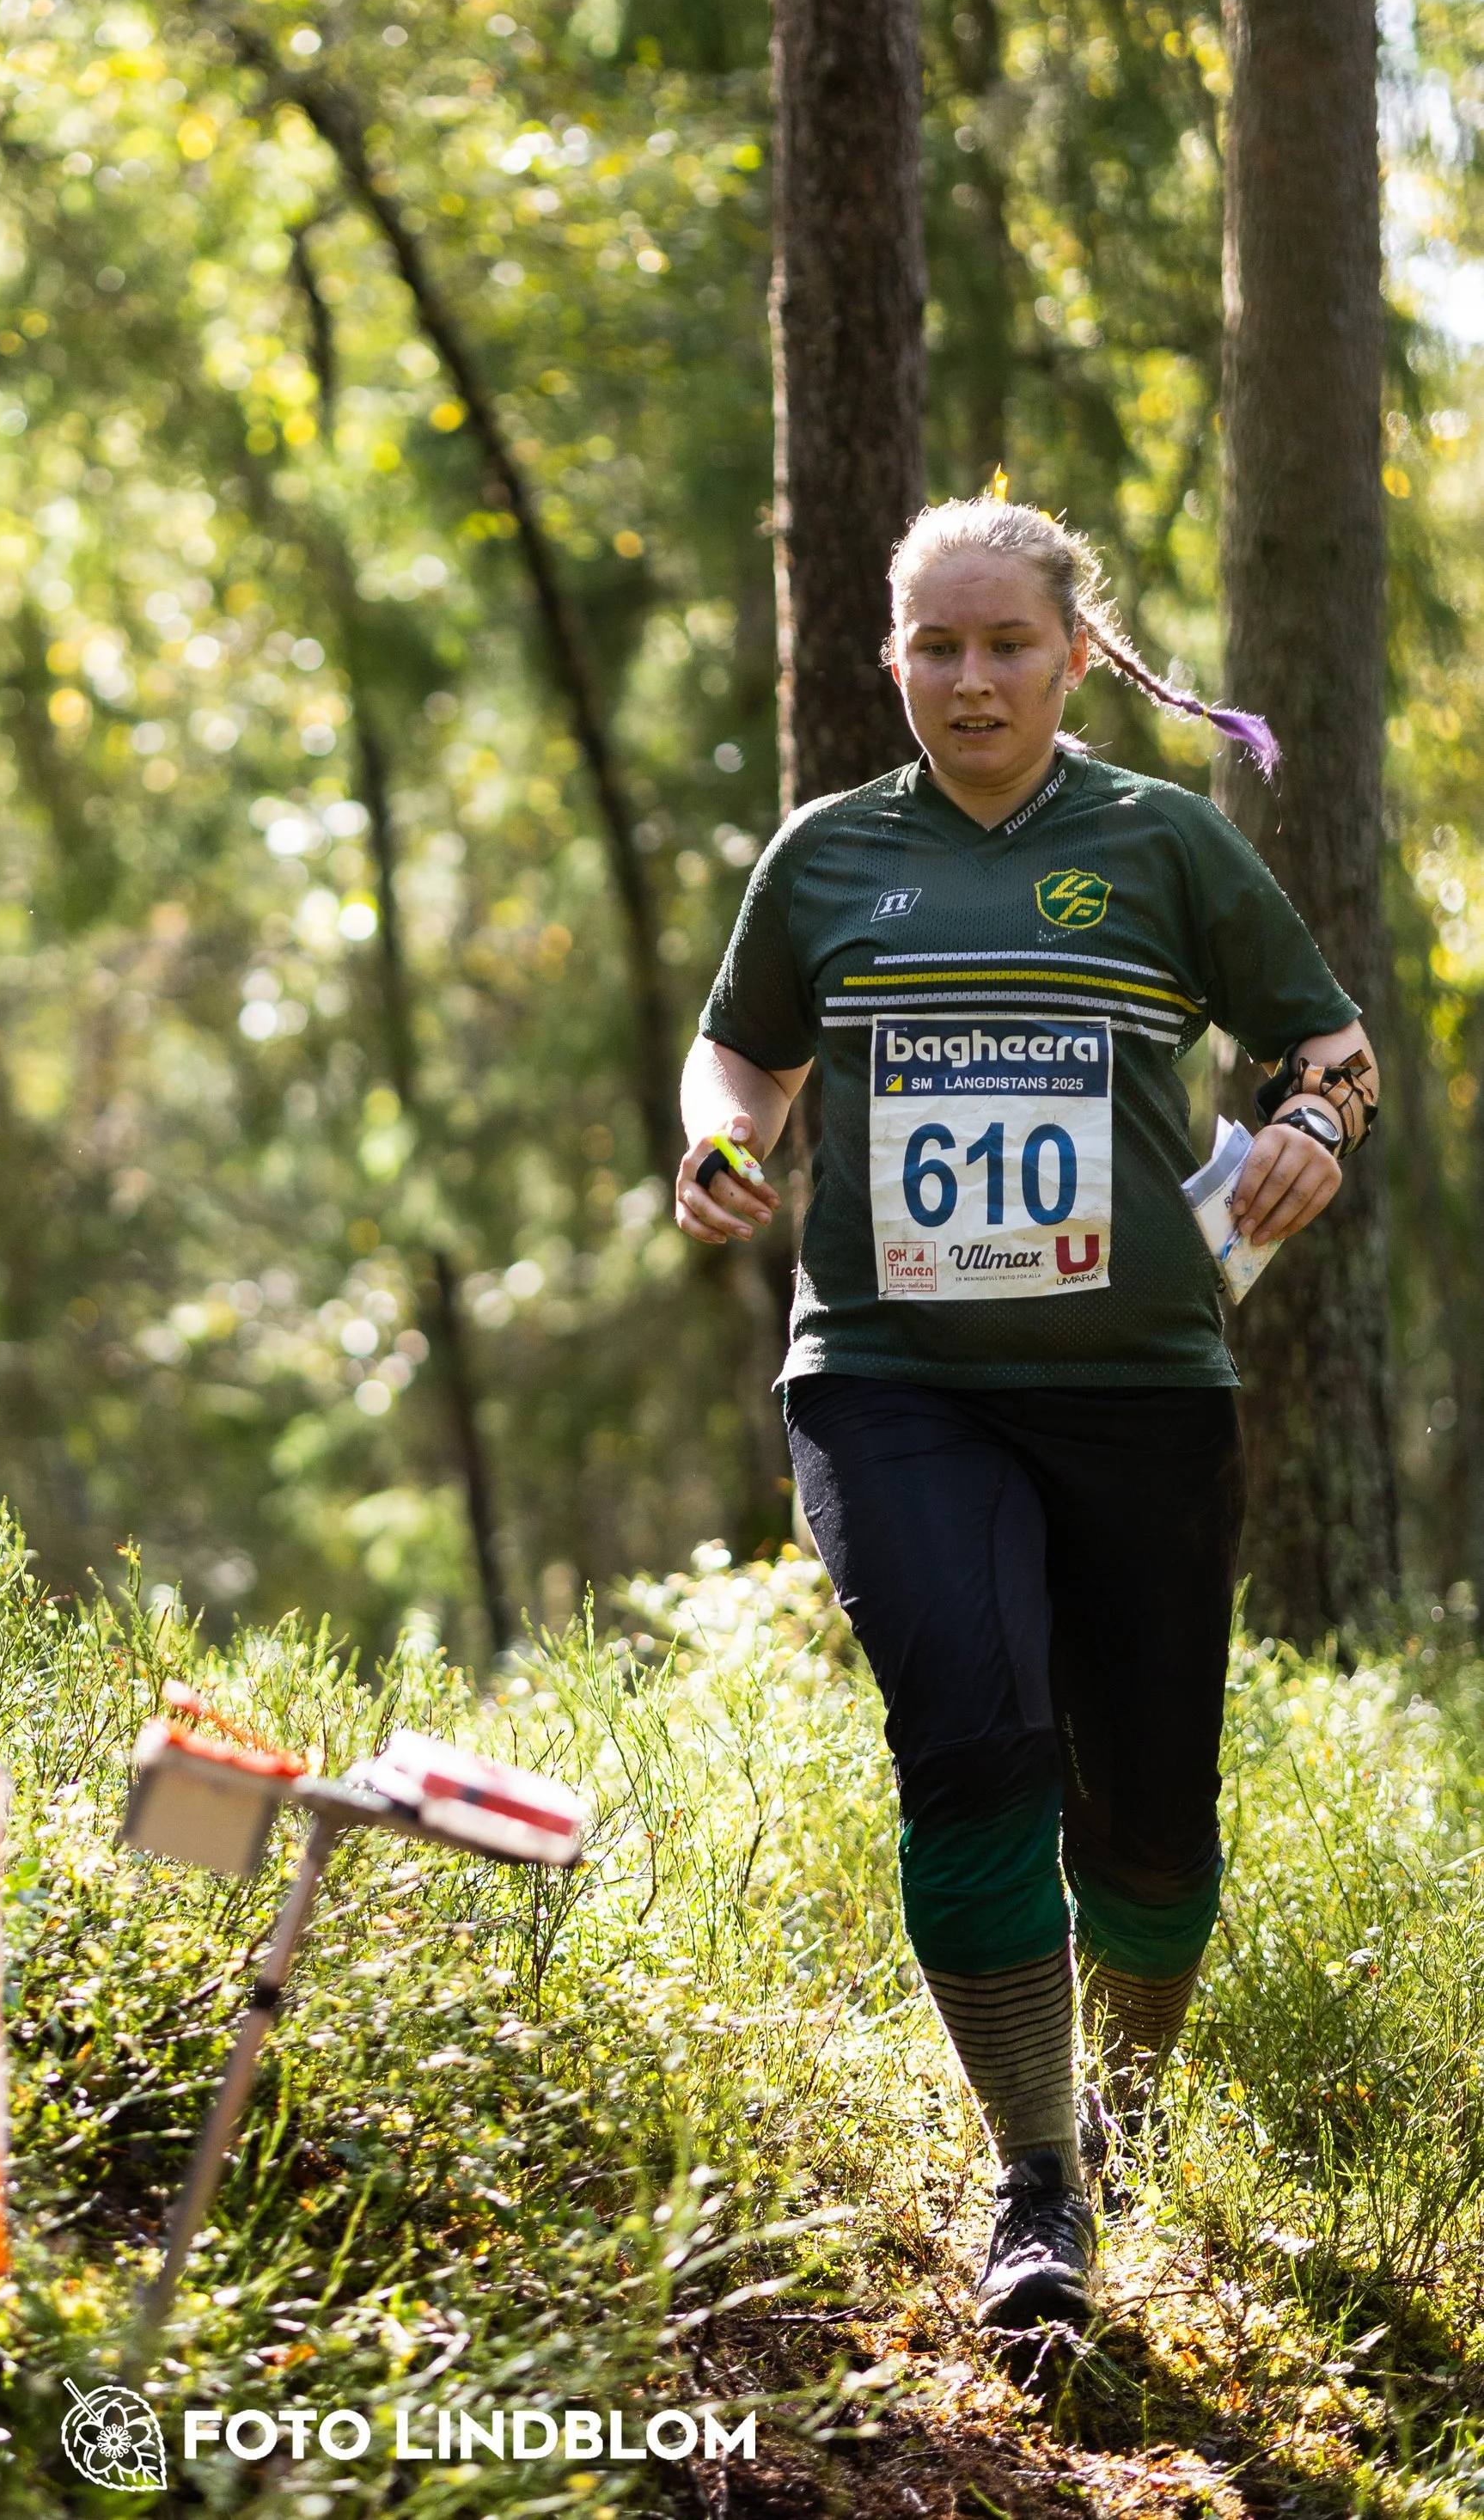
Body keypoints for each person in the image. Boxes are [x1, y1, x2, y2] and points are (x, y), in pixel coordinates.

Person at [675, 497, 1378, 2333]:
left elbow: (1327, 1043)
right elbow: (739, 1037)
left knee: (1145, 1822)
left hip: (1137, 1382)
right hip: (889, 1376)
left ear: (1075, 655)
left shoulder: (1160, 843)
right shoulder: (828, 854)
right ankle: (1034, 2185)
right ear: (888, 657)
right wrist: (722, 1130)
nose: (967, 676)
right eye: (933, 644)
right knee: (971, 1734)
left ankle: (1119, 2111)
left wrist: (1307, 1127)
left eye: (1003, 643)